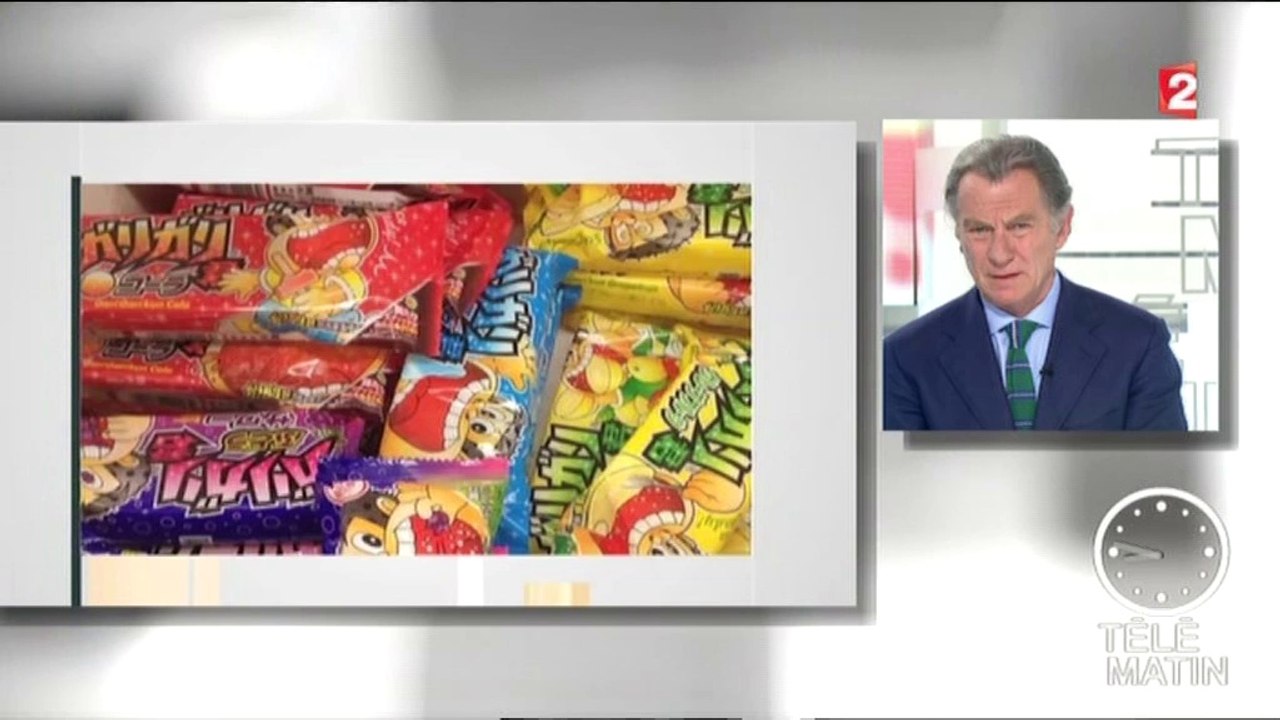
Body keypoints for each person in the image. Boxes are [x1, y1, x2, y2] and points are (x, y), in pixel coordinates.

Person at [883, 134, 1188, 431]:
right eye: (979, 230)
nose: (999, 254)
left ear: (1062, 227)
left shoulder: (1137, 343)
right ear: (959, 237)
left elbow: (1159, 476)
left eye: (1019, 227)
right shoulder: (906, 358)